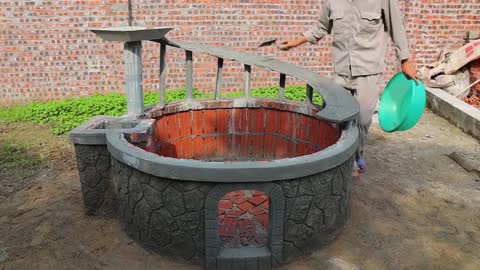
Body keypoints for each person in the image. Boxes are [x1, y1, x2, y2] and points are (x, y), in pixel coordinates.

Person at [279, 0, 418, 179]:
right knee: (337, 115)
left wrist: (405, 60)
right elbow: (321, 27)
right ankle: (342, 158)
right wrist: (296, 41)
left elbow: (396, 28)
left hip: (368, 71)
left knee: (362, 118)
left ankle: (357, 154)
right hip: (342, 71)